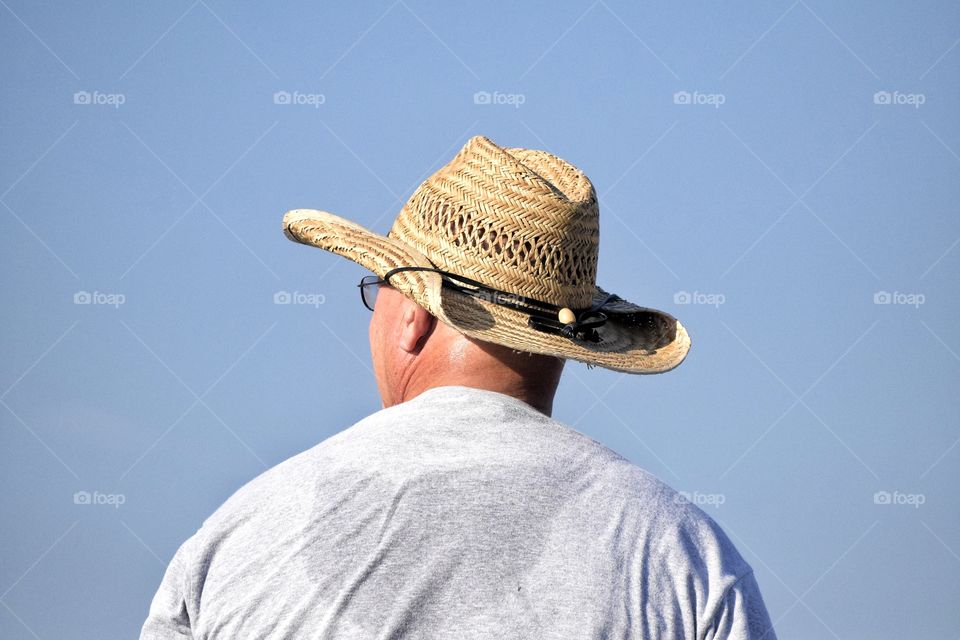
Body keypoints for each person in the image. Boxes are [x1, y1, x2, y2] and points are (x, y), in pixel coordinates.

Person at [140, 135, 777, 639]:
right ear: (569, 345)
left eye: (376, 292)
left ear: (413, 316)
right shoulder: (682, 555)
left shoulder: (239, 535)